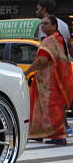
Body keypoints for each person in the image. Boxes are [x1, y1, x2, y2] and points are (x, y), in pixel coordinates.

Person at [24, 15, 73, 145]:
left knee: (51, 107)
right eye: (41, 24)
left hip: (49, 81)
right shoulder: (57, 38)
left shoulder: (50, 40)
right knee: (39, 107)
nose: (43, 26)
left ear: (54, 25)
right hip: (52, 80)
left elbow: (42, 60)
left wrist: (27, 71)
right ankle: (37, 133)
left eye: (46, 23)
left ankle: (59, 136)